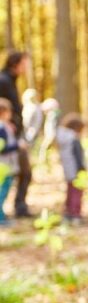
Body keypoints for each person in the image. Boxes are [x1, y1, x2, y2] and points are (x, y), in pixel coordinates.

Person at [0, 51, 32, 217]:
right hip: (8, 137)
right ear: (15, 63)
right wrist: (5, 124)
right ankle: (17, 207)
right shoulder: (3, 80)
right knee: (22, 172)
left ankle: (20, 206)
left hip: (16, 135)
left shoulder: (11, 81)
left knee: (24, 172)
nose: (26, 67)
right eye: (24, 63)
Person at [56, 113, 87, 225]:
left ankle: (68, 213)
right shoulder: (73, 139)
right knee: (76, 193)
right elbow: (78, 156)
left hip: (68, 170)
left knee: (70, 192)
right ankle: (75, 214)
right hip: (76, 171)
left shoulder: (63, 138)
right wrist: (82, 169)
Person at [0, 98, 22, 227]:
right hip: (4, 165)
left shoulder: (6, 127)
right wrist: (18, 146)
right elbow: (2, 148)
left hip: (6, 165)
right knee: (2, 191)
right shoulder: (2, 128)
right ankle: (0, 218)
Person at [35, 98, 60, 166]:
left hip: (51, 135)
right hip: (51, 135)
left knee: (44, 148)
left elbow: (52, 127)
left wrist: (51, 136)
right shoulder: (52, 115)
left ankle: (43, 163)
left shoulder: (52, 115)